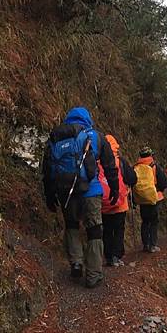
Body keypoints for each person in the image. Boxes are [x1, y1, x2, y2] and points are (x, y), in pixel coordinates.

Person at [42, 106, 118, 287]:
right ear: (88, 119)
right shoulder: (96, 136)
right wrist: (114, 188)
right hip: (90, 192)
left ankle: (76, 262)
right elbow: (109, 165)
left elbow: (47, 170)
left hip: (65, 192)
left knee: (72, 226)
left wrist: (50, 195)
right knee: (94, 230)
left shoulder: (56, 137)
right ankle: (93, 273)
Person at [99, 134, 137, 267]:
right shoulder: (119, 161)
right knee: (119, 229)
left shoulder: (96, 160)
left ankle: (108, 256)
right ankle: (116, 256)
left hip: (103, 203)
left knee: (107, 230)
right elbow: (132, 178)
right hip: (120, 202)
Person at [133, 147, 167, 253]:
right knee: (153, 221)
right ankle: (153, 245)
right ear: (151, 155)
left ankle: (145, 244)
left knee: (145, 221)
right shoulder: (155, 166)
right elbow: (163, 182)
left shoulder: (136, 167)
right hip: (155, 197)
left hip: (142, 198)